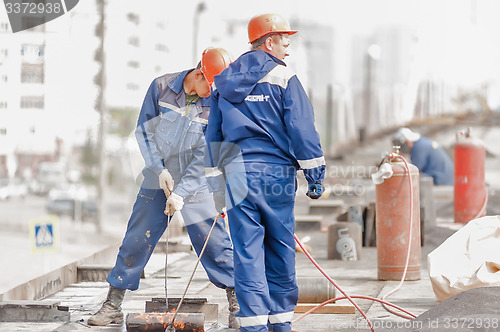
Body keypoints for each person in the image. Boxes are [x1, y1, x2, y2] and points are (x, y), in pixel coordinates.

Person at [88, 48, 240, 328]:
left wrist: (182, 192)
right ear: (198, 74)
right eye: (210, 85)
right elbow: (144, 132)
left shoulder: (217, 102)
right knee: (136, 238)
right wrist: (159, 171)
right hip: (157, 178)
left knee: (215, 243)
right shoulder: (161, 87)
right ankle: (112, 304)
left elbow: (206, 152)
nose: (212, 92)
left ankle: (236, 303)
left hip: (196, 181)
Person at [204, 14, 326, 332]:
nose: (288, 50)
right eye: (285, 43)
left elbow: (213, 136)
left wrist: (215, 183)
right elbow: (301, 128)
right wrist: (315, 175)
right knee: (281, 247)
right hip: (275, 177)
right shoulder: (285, 77)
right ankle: (280, 325)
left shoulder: (222, 82)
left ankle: (254, 326)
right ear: (269, 41)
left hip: (237, 177)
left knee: (247, 253)